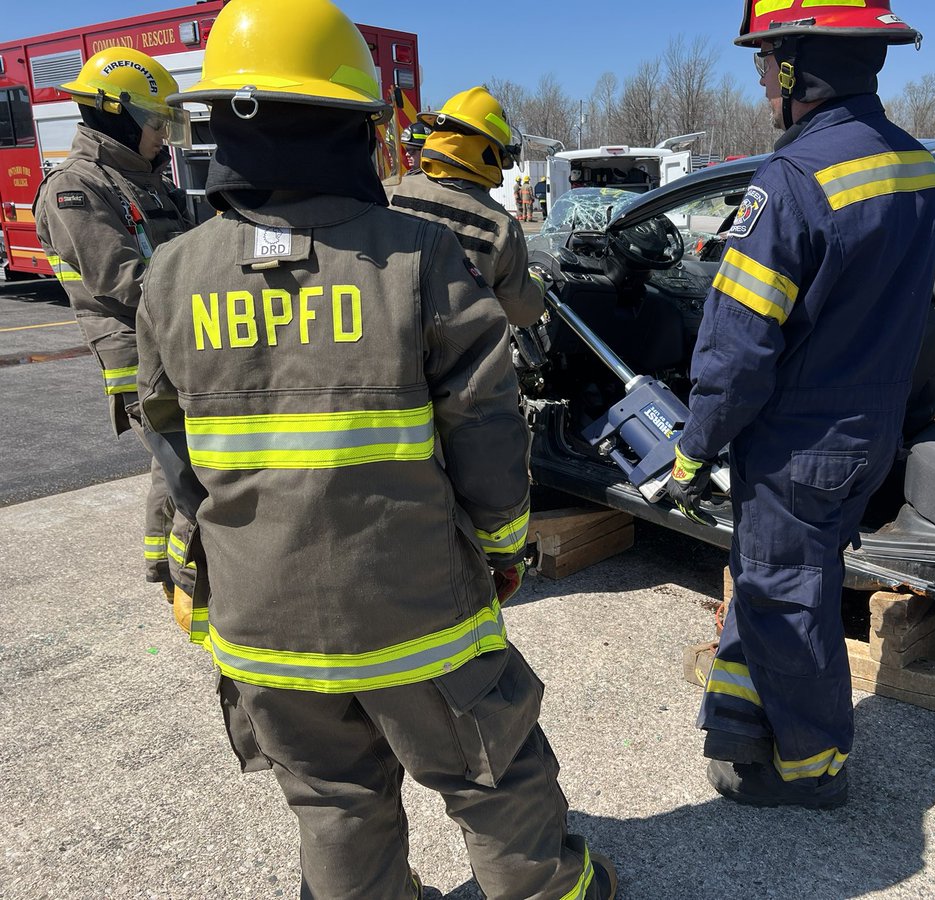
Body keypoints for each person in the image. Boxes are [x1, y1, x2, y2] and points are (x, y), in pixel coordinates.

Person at [133, 2, 614, 898]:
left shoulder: (173, 272)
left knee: (333, 799)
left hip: (261, 623)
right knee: (490, 771)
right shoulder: (419, 257)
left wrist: (183, 575)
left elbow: (169, 455)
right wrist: (506, 550)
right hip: (417, 611)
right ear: (355, 127)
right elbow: (487, 425)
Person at [666, 0, 935, 809]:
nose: (759, 83)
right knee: (771, 581)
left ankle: (812, 768)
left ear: (794, 70)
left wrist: (695, 445)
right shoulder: (914, 165)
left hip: (798, 442)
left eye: (764, 65)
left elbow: (739, 347)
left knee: (788, 600)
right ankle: (741, 726)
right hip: (867, 428)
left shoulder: (791, 181)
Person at [33, 47, 192, 599]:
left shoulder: (147, 181)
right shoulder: (75, 189)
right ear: (113, 112)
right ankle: (188, 581)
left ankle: (163, 570)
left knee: (171, 470)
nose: (162, 135)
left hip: (181, 347)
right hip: (140, 358)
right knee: (188, 474)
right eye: (154, 122)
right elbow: (122, 282)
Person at [388, 86, 546, 326]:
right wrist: (537, 282)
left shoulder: (385, 195)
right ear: (490, 151)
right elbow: (522, 314)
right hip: (463, 362)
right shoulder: (501, 226)